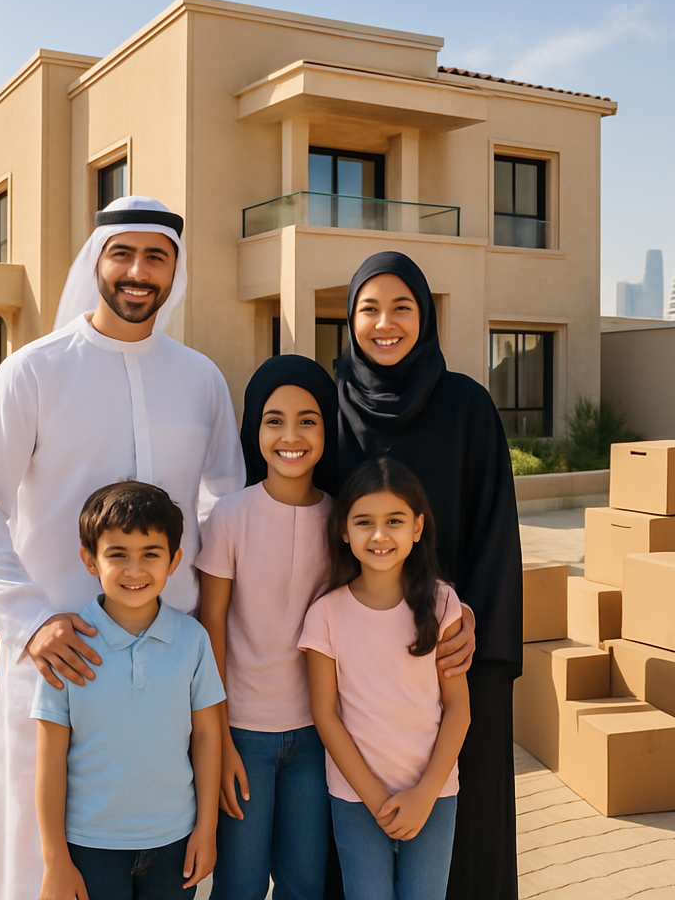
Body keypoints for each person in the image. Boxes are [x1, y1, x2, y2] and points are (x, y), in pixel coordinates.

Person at [0, 195, 245, 900]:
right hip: (62, 658)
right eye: (123, 253)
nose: (138, 272)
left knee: (167, 857)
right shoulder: (33, 370)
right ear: (97, 261)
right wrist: (30, 622)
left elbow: (225, 513)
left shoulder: (201, 378)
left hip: (170, 666)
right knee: (43, 868)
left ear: (175, 270)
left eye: (157, 256)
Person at [335, 251, 522, 900]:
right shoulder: (327, 411)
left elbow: (497, 536)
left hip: (450, 661)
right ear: (349, 317)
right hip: (352, 665)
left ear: (427, 315)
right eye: (369, 309)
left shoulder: (468, 407)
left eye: (402, 308)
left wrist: (480, 635)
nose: (385, 324)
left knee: (462, 843)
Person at [33, 481, 224, 900]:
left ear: (174, 560)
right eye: (117, 555)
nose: (134, 570)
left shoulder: (192, 640)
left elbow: (208, 736)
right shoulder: (68, 647)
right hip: (89, 845)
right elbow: (49, 761)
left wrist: (206, 829)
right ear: (89, 560)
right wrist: (55, 860)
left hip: (174, 840)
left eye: (150, 555)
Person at [196, 355, 338, 900]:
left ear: (327, 427)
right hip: (242, 734)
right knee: (241, 884)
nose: (291, 435)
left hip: (315, 736)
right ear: (254, 428)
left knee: (304, 883)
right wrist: (220, 739)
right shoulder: (229, 517)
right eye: (274, 420)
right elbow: (212, 627)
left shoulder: (343, 519)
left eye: (308, 419)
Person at [299, 457, 471, 900]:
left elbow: (459, 710)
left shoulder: (442, 604)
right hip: (357, 798)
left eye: (394, 521)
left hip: (434, 793)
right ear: (343, 530)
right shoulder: (325, 615)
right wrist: (376, 799)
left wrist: (425, 794)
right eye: (364, 522)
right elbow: (326, 715)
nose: (379, 535)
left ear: (417, 527)